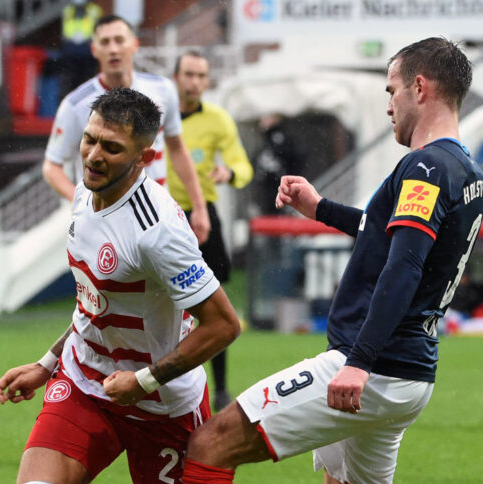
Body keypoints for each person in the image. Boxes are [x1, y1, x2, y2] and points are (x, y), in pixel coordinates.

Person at [97, 37, 483, 484]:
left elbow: (404, 266)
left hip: (372, 369)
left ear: (421, 88)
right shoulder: (461, 171)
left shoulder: (425, 166)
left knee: (208, 446)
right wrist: (321, 208)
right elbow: (385, 234)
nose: (387, 103)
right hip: (409, 376)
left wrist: (358, 363)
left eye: (391, 89)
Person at [0, 89, 305, 484]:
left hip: (160, 403)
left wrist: (143, 381)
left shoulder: (158, 227)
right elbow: (93, 301)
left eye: (111, 148)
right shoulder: (83, 195)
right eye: (89, 140)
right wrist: (47, 363)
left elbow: (222, 325)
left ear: (142, 157)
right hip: (87, 382)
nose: (92, 155)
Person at [42, 14, 211, 242]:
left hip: (159, 216)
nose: (113, 49)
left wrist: (199, 207)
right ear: (94, 50)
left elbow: (177, 148)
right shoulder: (75, 105)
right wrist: (84, 204)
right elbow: (52, 166)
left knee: (178, 277)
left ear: (135, 44)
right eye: (105, 42)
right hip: (105, 224)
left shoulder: (163, 89)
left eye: (119, 40)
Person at [169, 50, 255, 410]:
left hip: (201, 218)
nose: (195, 82)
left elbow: (242, 165)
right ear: (175, 77)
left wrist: (229, 174)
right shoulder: (157, 117)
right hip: (160, 217)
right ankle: (164, 383)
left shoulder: (218, 119)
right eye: (189, 74)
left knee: (212, 305)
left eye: (201, 76)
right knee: (162, 304)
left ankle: (219, 388)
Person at [253, 113, 301, 216]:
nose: (262, 122)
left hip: (277, 186)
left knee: (276, 211)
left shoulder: (278, 137)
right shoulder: (269, 138)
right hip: (270, 188)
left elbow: (289, 157)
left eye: (266, 118)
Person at [59, 0, 102, 94]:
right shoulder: (68, 11)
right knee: (70, 82)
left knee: (86, 81)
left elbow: (98, 31)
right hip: (71, 51)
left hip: (87, 50)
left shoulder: (94, 10)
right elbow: (64, 32)